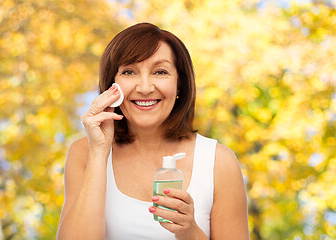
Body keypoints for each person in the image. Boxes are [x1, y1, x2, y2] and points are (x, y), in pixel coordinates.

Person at [56, 23, 250, 240]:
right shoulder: (85, 152)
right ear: (112, 85)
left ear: (180, 85)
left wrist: (190, 232)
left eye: (160, 71)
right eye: (129, 72)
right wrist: (100, 152)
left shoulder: (218, 162)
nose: (145, 87)